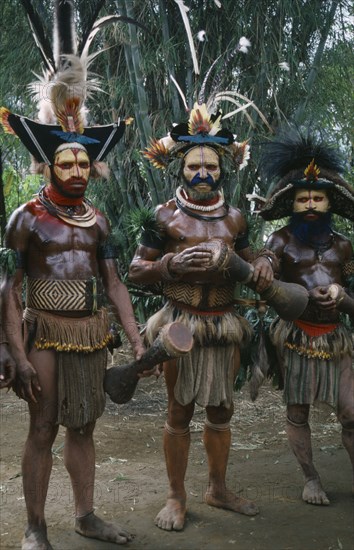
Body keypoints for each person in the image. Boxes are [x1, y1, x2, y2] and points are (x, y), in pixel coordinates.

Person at [0, 57, 145, 549]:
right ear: (48, 164)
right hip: (42, 327)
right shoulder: (27, 218)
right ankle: (35, 527)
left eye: (84, 162)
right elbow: (9, 289)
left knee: (83, 424)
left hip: (88, 331)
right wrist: (14, 353)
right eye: (67, 162)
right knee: (42, 427)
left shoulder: (98, 221)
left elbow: (115, 282)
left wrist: (135, 338)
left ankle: (86, 515)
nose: (77, 170)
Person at [128, 102, 276, 531]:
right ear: (180, 167)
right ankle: (176, 496)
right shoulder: (164, 216)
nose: (203, 173)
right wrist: (170, 267)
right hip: (180, 325)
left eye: (210, 165)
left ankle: (217, 487)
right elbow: (135, 271)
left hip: (224, 324)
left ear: (222, 168)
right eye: (194, 165)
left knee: (222, 411)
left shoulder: (235, 218)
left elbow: (251, 259)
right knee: (179, 412)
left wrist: (265, 260)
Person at [258, 127, 354, 506]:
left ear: (330, 203)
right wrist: (266, 269)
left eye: (318, 197)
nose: (311, 204)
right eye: (303, 198)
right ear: (292, 204)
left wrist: (343, 297)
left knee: (351, 412)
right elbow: (265, 277)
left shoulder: (344, 246)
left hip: (337, 337)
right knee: (298, 412)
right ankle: (311, 478)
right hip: (296, 335)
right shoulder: (279, 241)